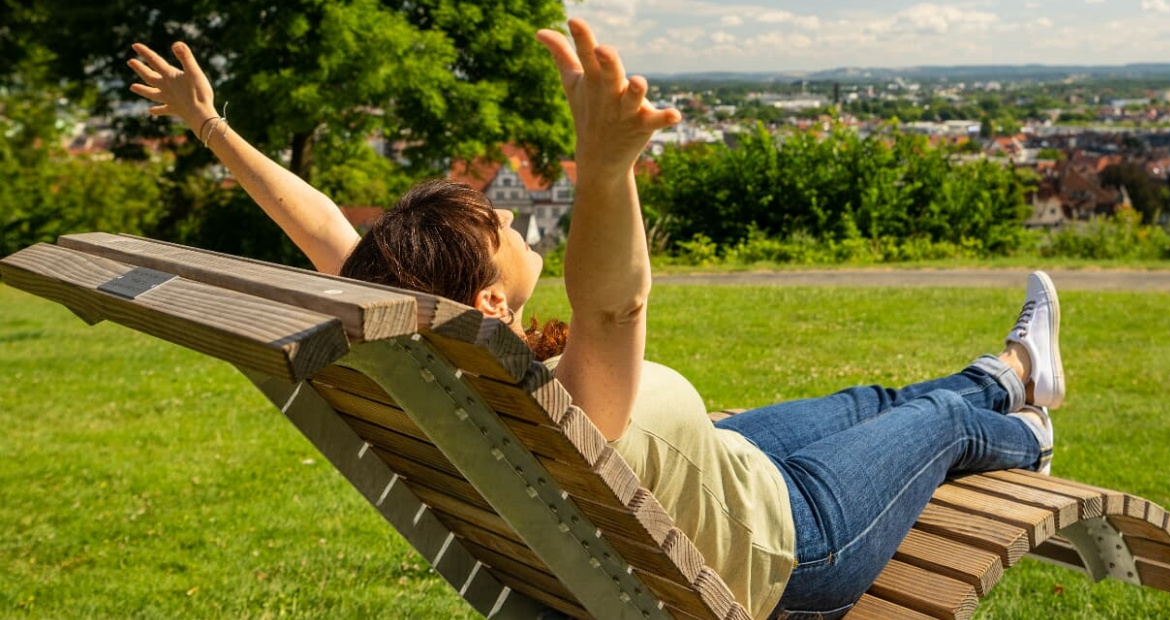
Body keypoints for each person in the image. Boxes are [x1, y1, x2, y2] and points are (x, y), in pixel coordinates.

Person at [128, 19, 1064, 620]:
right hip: (793, 543)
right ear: (490, 301)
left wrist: (210, 127)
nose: (509, 218)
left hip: (726, 465)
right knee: (935, 422)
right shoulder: (568, 406)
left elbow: (327, 227)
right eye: (498, 228)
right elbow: (614, 301)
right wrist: (604, 165)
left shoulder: (427, 361)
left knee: (873, 398)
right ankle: (1020, 418)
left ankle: (1017, 370)